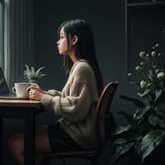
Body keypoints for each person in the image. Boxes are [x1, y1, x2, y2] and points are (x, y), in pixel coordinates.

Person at [8, 19, 104, 165]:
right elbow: (72, 99)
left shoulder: (82, 69)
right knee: (15, 139)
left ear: (74, 40)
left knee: (17, 144)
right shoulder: (80, 66)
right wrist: (45, 93)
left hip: (78, 136)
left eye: (61, 37)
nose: (57, 42)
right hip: (75, 130)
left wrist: (43, 98)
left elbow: (76, 108)